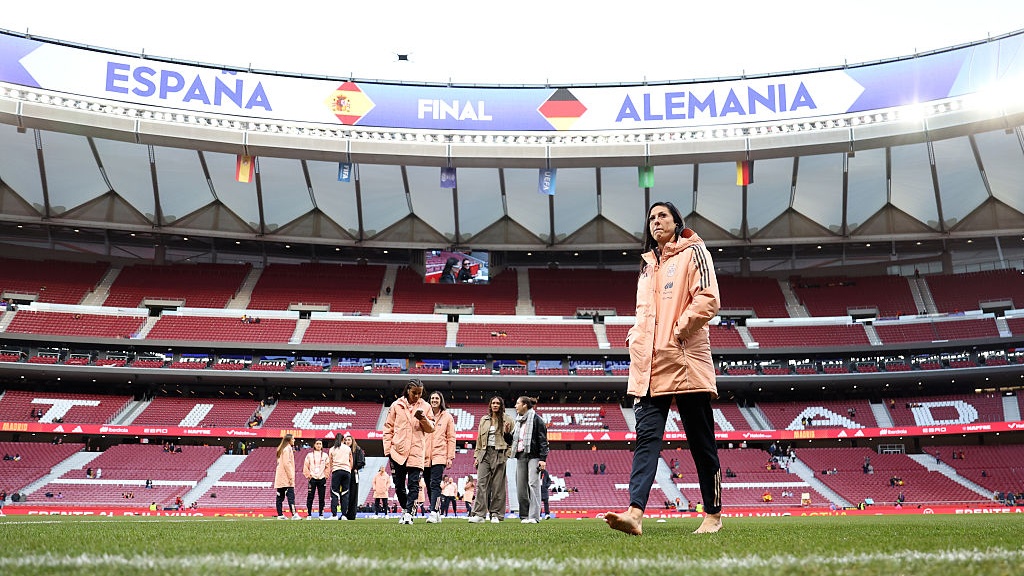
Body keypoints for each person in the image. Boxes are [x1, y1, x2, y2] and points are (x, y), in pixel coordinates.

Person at [605, 200, 723, 536]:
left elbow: (708, 298)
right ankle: (634, 514)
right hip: (650, 367)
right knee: (646, 440)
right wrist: (635, 338)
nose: (656, 221)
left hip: (685, 362)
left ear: (675, 221)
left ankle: (713, 515)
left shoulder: (694, 251)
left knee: (701, 443)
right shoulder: (647, 266)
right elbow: (643, 315)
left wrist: (678, 330)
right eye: (652, 217)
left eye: (663, 216)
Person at [382, 379, 435, 525]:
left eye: (420, 393)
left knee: (413, 485)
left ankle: (409, 514)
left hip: (416, 451)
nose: (417, 396)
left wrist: (423, 418)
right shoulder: (396, 405)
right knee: (399, 485)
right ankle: (406, 509)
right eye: (414, 393)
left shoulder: (426, 407)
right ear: (408, 391)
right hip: (397, 452)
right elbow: (388, 428)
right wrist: (388, 450)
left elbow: (431, 428)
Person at [469, 395, 514, 524]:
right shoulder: (484, 420)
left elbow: (513, 439)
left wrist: (507, 454)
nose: (495, 405)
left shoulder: (508, 419)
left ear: (501, 405)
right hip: (484, 453)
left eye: (497, 403)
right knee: (481, 484)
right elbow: (479, 439)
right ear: (490, 405)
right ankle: (479, 514)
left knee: (498, 486)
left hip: (500, 453)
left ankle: (496, 514)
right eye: (493, 403)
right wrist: (477, 456)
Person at [512, 396, 548, 524]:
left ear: (525, 405)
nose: (515, 406)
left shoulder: (537, 420)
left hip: (534, 456)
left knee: (533, 484)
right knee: (521, 487)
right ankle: (524, 515)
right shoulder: (518, 421)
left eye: (517, 403)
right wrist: (506, 433)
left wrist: (543, 459)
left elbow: (543, 441)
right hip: (521, 455)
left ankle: (534, 516)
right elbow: (513, 440)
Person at [424, 391, 456, 524]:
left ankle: (433, 511)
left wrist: (450, 456)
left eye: (437, 398)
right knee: (428, 484)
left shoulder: (447, 417)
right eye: (432, 398)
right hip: (425, 456)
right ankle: (436, 511)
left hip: (439, 454)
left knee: (435, 483)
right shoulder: (424, 416)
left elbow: (451, 437)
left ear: (440, 400)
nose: (434, 400)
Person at [274, 433, 301, 519]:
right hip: (286, 477)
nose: (294, 440)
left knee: (280, 496)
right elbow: (287, 464)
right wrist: (291, 477)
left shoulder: (281, 449)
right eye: (293, 439)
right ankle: (294, 514)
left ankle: (280, 514)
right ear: (289, 440)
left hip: (280, 477)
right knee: (291, 496)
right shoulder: (288, 449)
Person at [326, 434, 353, 520]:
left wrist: (332, 470)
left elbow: (330, 462)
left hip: (336, 471)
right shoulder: (348, 448)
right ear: (343, 440)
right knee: (345, 493)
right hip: (346, 471)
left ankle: (334, 515)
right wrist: (349, 469)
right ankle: (344, 515)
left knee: (334, 493)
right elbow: (351, 460)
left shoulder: (332, 449)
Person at [302, 438, 330, 519]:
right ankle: (309, 514)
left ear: (322, 445)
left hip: (322, 478)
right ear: (314, 445)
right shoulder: (309, 455)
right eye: (317, 443)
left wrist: (326, 475)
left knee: (322, 497)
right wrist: (308, 476)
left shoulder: (325, 455)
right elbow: (305, 466)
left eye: (320, 444)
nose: (318, 445)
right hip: (312, 478)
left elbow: (328, 467)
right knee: (310, 497)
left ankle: (321, 514)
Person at [343, 434, 366, 520]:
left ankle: (352, 515)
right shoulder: (342, 450)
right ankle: (344, 513)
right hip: (344, 473)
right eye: (346, 440)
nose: (347, 442)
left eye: (349, 440)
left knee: (353, 494)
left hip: (353, 473)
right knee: (345, 494)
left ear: (352, 441)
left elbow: (362, 461)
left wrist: (356, 467)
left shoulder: (357, 449)